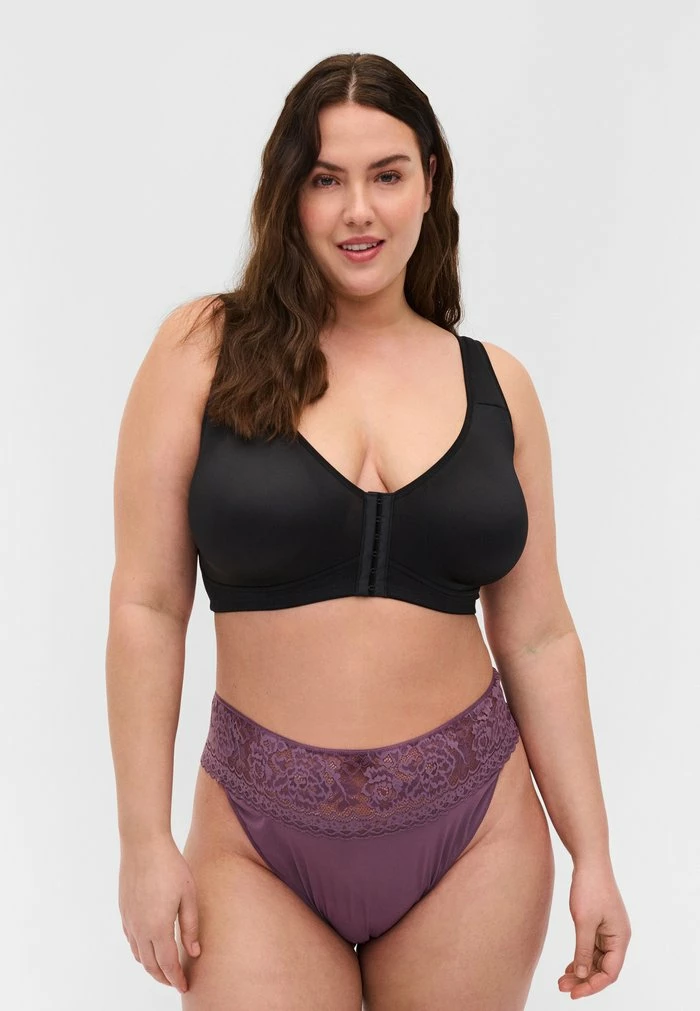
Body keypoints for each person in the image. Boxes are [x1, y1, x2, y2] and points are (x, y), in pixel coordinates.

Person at [106, 51, 631, 1009]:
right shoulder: (202, 350)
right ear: (288, 194)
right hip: (254, 844)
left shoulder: (498, 386)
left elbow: (540, 636)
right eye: (325, 179)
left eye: (386, 175)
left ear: (429, 181)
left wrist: (592, 852)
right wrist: (143, 840)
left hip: (475, 837)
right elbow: (146, 604)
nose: (359, 211)